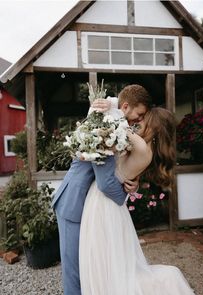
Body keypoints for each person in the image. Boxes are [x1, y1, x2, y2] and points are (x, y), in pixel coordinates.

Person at [79, 107, 196, 295]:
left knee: (105, 259)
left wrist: (107, 105)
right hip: (106, 202)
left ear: (154, 126)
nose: (137, 122)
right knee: (108, 259)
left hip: (104, 203)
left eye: (144, 119)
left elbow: (115, 126)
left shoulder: (142, 148)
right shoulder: (142, 148)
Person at [52, 84, 152, 295]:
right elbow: (106, 182)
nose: (139, 120)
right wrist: (125, 194)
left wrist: (132, 181)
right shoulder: (106, 124)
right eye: (139, 114)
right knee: (75, 273)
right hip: (74, 202)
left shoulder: (115, 121)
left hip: (90, 207)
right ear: (125, 107)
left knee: (91, 268)